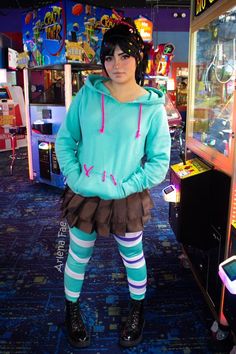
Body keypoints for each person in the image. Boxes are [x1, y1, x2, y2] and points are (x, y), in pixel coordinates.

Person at [55, 16, 171, 349]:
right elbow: (66, 140)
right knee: (78, 256)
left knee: (133, 257)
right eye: (109, 56)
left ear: (138, 58)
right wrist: (76, 177)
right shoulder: (87, 96)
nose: (116, 64)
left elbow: (159, 162)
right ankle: (71, 310)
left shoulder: (152, 108)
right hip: (85, 194)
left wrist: (123, 187)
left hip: (126, 196)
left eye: (124, 55)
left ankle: (138, 311)